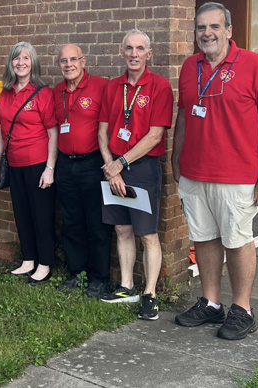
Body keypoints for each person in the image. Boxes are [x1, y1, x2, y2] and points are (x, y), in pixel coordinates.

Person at [172, 2, 258, 340]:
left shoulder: (255, 65)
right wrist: (176, 159)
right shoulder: (189, 66)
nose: (207, 33)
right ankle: (211, 302)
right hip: (194, 173)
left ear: (229, 30)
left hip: (237, 175)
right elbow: (184, 115)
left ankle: (242, 309)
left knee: (237, 241)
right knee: (203, 237)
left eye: (214, 26)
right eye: (201, 27)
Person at [98, 29, 173, 321]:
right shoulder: (112, 87)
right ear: (121, 52)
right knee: (122, 229)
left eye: (140, 48)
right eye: (129, 48)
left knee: (147, 234)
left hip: (142, 168)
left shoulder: (160, 86)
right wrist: (110, 167)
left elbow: (155, 136)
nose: (134, 54)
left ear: (149, 54)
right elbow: (102, 131)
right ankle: (126, 287)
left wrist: (121, 163)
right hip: (113, 168)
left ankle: (150, 294)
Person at [0, 42, 58, 285]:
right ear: (11, 63)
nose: (21, 63)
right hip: (14, 163)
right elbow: (2, 130)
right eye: (16, 58)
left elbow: (52, 133)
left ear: (33, 63)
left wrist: (50, 168)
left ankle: (45, 264)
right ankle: (28, 259)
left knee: (41, 215)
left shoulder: (42, 92)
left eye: (26, 58)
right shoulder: (5, 92)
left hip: (37, 163)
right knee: (21, 213)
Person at [52, 44, 112, 298]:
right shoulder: (56, 92)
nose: (69, 65)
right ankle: (77, 272)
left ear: (83, 61)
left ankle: (99, 278)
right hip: (66, 165)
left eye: (73, 59)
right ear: (59, 65)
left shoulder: (101, 87)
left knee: (98, 222)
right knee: (71, 221)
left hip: (93, 163)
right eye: (63, 61)